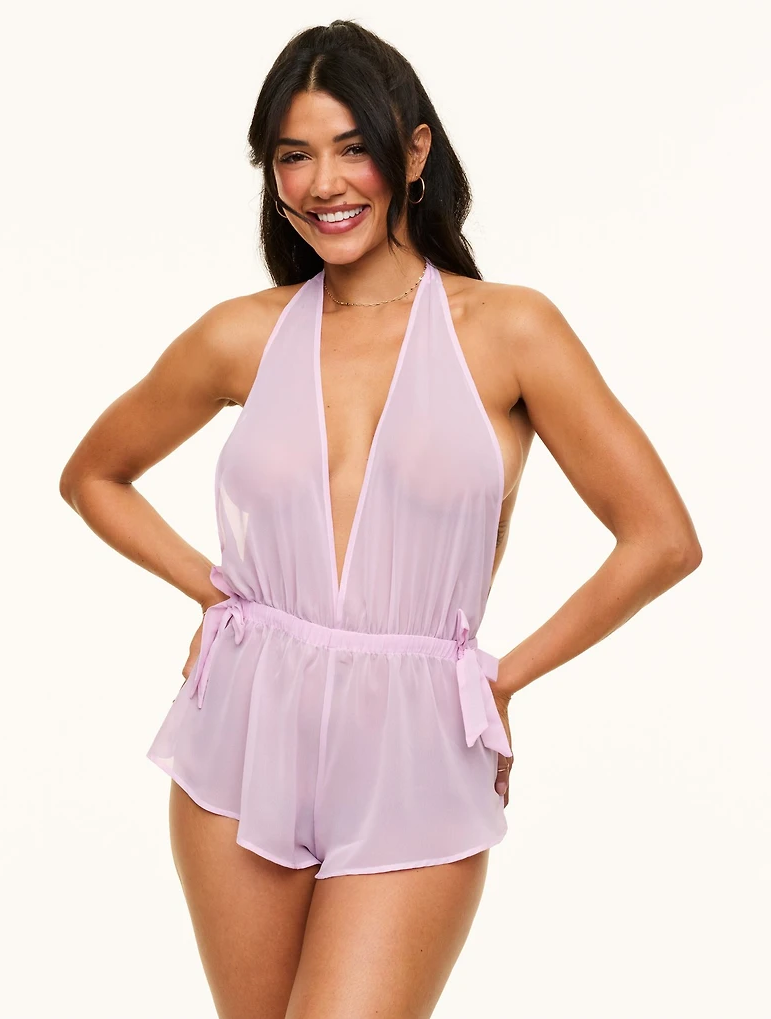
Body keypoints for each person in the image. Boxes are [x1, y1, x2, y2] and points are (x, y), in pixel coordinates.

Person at [59, 18, 702, 1019]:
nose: (324, 183)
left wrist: (500, 677)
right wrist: (217, 594)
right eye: (293, 156)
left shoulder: (511, 330)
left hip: (415, 746)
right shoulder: (241, 335)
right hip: (241, 732)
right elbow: (94, 474)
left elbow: (661, 537)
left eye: (352, 146)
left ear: (413, 151)